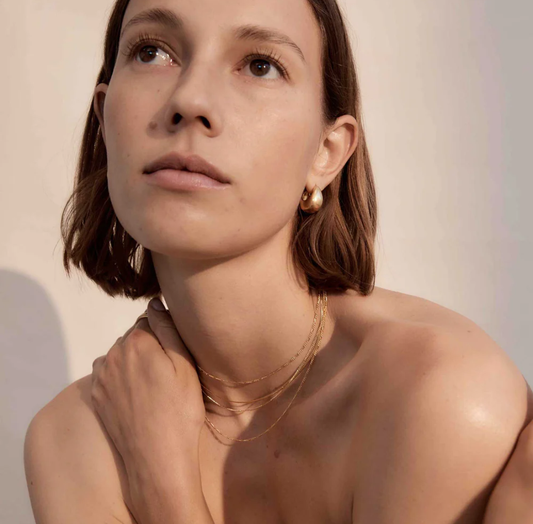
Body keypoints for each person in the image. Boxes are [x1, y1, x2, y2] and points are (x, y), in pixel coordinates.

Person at [23, 0, 533, 522]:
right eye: (152, 52)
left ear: (326, 153)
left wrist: (162, 481)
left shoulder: (440, 394)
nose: (190, 100)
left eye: (260, 65)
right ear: (104, 119)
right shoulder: (73, 441)